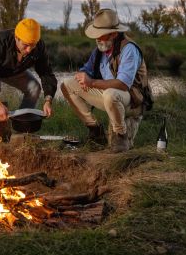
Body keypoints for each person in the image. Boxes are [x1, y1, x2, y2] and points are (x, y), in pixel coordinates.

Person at [61, 8, 150, 153]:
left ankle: (121, 136)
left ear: (114, 34)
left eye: (100, 35)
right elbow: (87, 69)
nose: (97, 39)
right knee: (67, 85)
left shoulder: (129, 49)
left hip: (132, 100)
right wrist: (82, 75)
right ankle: (95, 130)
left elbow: (122, 84)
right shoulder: (100, 50)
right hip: (111, 97)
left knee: (110, 94)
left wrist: (91, 83)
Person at [0, 18, 57, 124]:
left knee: (34, 88)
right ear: (16, 38)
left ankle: (22, 125)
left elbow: (46, 73)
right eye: (26, 45)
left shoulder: (39, 47)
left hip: (12, 69)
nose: (29, 50)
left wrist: (48, 100)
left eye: (33, 45)